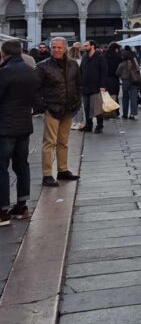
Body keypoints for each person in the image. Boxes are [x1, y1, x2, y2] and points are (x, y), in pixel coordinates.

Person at [0, 40, 41, 225]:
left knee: (1, 168)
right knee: (22, 165)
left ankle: (2, 212)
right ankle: (22, 205)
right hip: (24, 125)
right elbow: (37, 101)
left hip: (5, 126)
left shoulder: (4, 72)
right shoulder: (30, 72)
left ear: (4, 53)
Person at [36, 37, 81, 187]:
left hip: (68, 108)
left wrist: (77, 101)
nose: (56, 50)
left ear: (65, 49)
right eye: (54, 47)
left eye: (59, 47)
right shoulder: (42, 66)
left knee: (63, 141)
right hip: (52, 108)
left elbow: (78, 84)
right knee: (49, 142)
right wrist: (43, 106)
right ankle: (47, 174)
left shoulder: (73, 65)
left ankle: (62, 169)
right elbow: (34, 89)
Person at [79, 40, 108, 133]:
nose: (84, 47)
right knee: (86, 107)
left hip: (96, 87)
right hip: (85, 86)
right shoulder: (84, 56)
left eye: (86, 45)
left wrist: (102, 85)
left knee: (97, 108)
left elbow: (104, 72)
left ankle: (99, 126)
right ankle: (88, 125)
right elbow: (81, 70)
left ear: (92, 46)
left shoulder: (100, 57)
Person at [116, 49, 140, 120]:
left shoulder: (122, 64)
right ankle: (133, 114)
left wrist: (121, 76)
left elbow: (117, 73)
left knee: (125, 98)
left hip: (125, 82)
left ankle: (125, 114)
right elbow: (138, 71)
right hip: (134, 81)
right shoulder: (134, 63)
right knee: (133, 98)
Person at [105, 43, 122, 113]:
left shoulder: (104, 56)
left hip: (106, 78)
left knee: (108, 95)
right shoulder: (118, 57)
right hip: (115, 78)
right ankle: (116, 111)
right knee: (115, 94)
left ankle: (109, 110)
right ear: (116, 48)